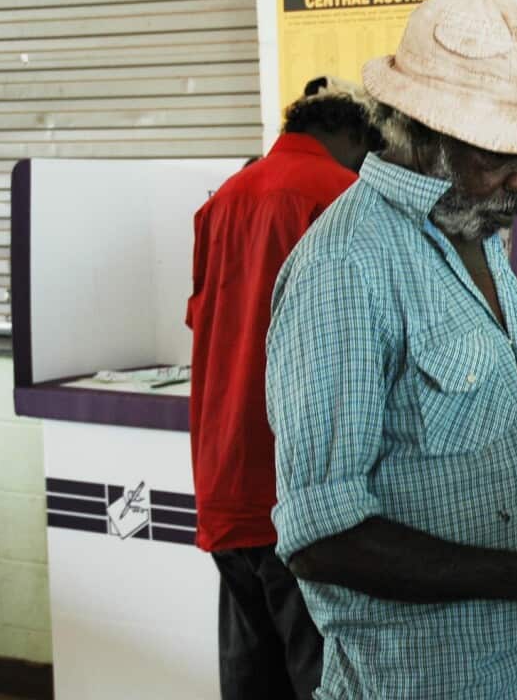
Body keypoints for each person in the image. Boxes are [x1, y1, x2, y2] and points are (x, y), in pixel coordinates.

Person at [265, 0, 517, 698]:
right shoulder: (345, 267)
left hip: (508, 669)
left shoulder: (476, 231)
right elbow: (324, 539)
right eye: (500, 150)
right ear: (425, 136)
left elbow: (444, 445)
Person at [186, 77, 384, 700]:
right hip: (299, 491)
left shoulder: (222, 201)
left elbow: (203, 320)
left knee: (251, 680)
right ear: (352, 136)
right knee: (322, 678)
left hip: (223, 481)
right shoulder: (343, 198)